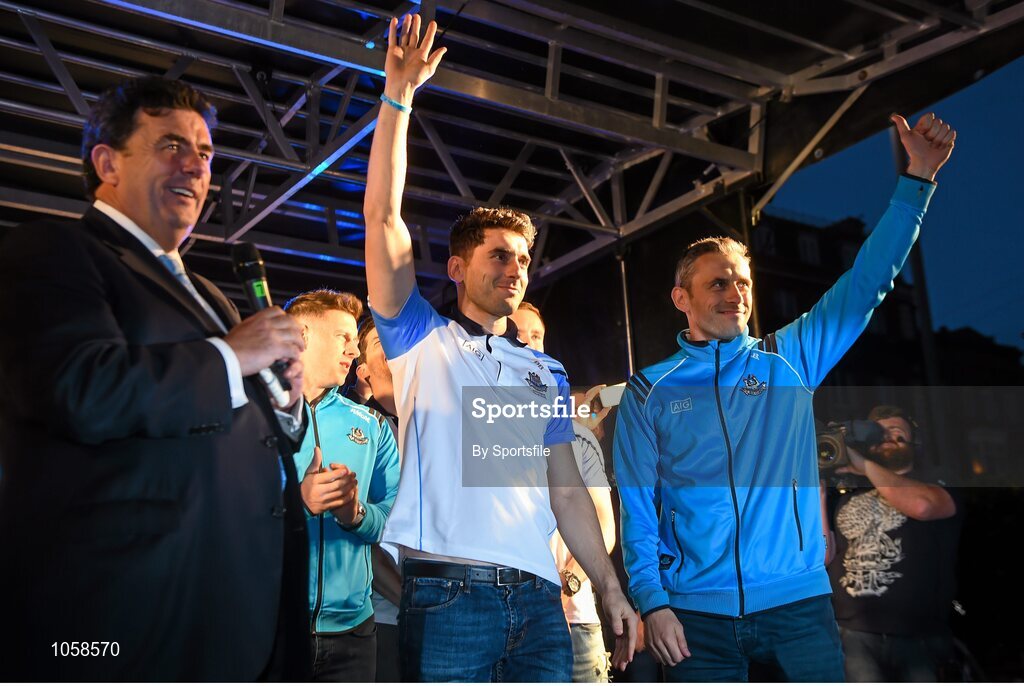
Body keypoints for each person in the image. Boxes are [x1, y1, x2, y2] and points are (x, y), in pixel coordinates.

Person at [614, 112, 956, 681]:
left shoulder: (789, 357)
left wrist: (917, 180)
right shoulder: (649, 390)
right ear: (682, 297)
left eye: (742, 281)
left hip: (797, 607)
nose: (733, 293)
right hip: (695, 611)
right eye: (717, 282)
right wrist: (654, 601)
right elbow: (638, 510)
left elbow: (866, 282)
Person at [0, 76, 310, 680]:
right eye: (172, 145)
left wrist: (287, 401)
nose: (196, 166)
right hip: (119, 623)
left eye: (206, 152)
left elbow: (256, 433)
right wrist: (228, 356)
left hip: (233, 611)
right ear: (107, 162)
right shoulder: (53, 252)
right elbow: (80, 389)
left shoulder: (214, 298)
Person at [363, 14, 636, 682]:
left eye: (523, 258)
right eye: (498, 255)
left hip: (541, 600)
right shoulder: (420, 339)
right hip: (450, 596)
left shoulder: (543, 368)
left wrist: (608, 584)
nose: (515, 268)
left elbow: (567, 492)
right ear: (457, 268)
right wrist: (398, 97)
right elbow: (383, 218)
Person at [284, 290, 401, 683]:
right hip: (272, 625)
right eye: (343, 338)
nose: (354, 351)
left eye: (355, 340)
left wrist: (356, 515)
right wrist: (297, 501)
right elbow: (221, 510)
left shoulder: (372, 425)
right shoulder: (252, 411)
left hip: (355, 633)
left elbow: (394, 517)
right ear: (301, 334)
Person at [511, 303, 618, 682]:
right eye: (518, 333)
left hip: (576, 619)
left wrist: (569, 582)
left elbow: (604, 525)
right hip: (510, 621)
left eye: (536, 335)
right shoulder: (485, 425)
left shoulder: (577, 434)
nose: (527, 342)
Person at [826, 405, 962, 682]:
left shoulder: (937, 480)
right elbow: (822, 554)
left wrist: (864, 466)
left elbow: (923, 507)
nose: (887, 438)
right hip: (851, 633)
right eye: (878, 434)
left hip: (918, 636)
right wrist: (818, 483)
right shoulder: (848, 495)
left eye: (896, 433)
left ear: (915, 442)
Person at [354, 316, 404, 683]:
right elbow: (356, 534)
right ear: (363, 371)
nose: (392, 351)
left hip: (457, 618)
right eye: (378, 343)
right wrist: (413, 605)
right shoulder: (360, 432)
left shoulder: (448, 424)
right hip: (386, 621)